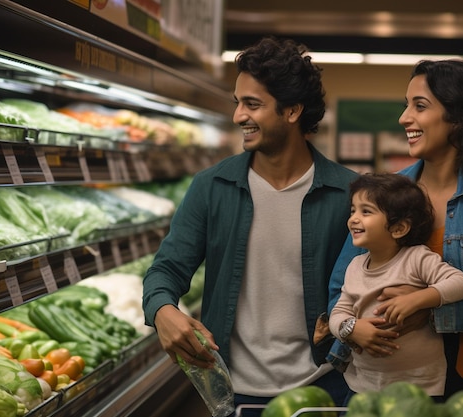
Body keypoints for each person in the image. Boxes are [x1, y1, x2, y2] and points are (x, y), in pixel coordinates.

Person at [142, 36, 358, 416]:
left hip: (324, 388)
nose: (238, 116)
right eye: (238, 103)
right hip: (232, 391)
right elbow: (166, 270)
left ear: (292, 111)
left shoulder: (347, 193)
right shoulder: (212, 187)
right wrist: (162, 310)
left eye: (252, 104)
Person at [329, 59, 463, 405]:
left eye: (420, 105)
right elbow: (341, 285)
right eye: (406, 105)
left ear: (460, 118)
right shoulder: (383, 198)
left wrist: (436, 312)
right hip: (379, 381)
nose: (404, 118)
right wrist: (353, 331)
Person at [330, 172, 463, 402]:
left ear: (399, 228)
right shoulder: (355, 266)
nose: (354, 219)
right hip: (362, 387)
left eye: (366, 211)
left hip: (419, 390)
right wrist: (350, 328)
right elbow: (338, 312)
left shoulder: (416, 258)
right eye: (353, 211)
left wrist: (417, 299)